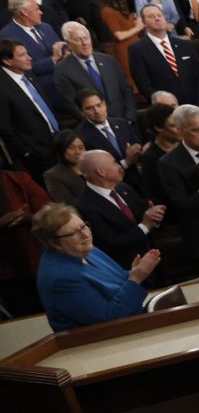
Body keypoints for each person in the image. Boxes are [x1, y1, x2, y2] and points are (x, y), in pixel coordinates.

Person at [32, 202, 160, 332]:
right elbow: (110, 319)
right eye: (73, 233)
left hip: (131, 323)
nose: (86, 235)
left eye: (83, 226)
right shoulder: (59, 278)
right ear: (54, 243)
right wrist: (135, 279)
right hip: (100, 342)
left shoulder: (85, 249)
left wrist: (133, 272)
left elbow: (116, 282)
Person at [42, 130, 87, 205]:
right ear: (61, 150)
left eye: (81, 147)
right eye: (71, 148)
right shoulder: (53, 175)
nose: (77, 152)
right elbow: (68, 204)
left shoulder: (93, 165)